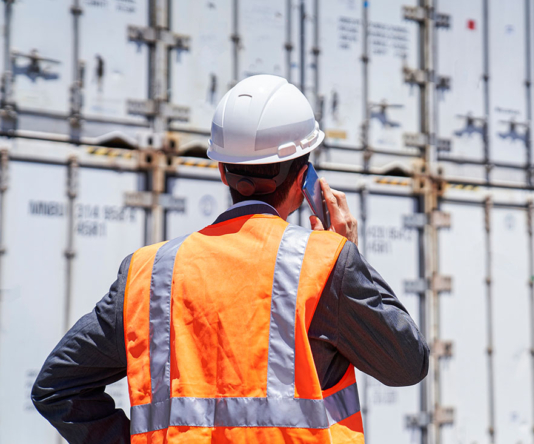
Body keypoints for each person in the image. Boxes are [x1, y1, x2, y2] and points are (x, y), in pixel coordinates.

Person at [31, 74, 429, 443]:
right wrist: (348, 251)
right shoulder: (324, 265)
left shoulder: (147, 273)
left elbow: (57, 387)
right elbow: (407, 364)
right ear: (303, 175)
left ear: (222, 171)